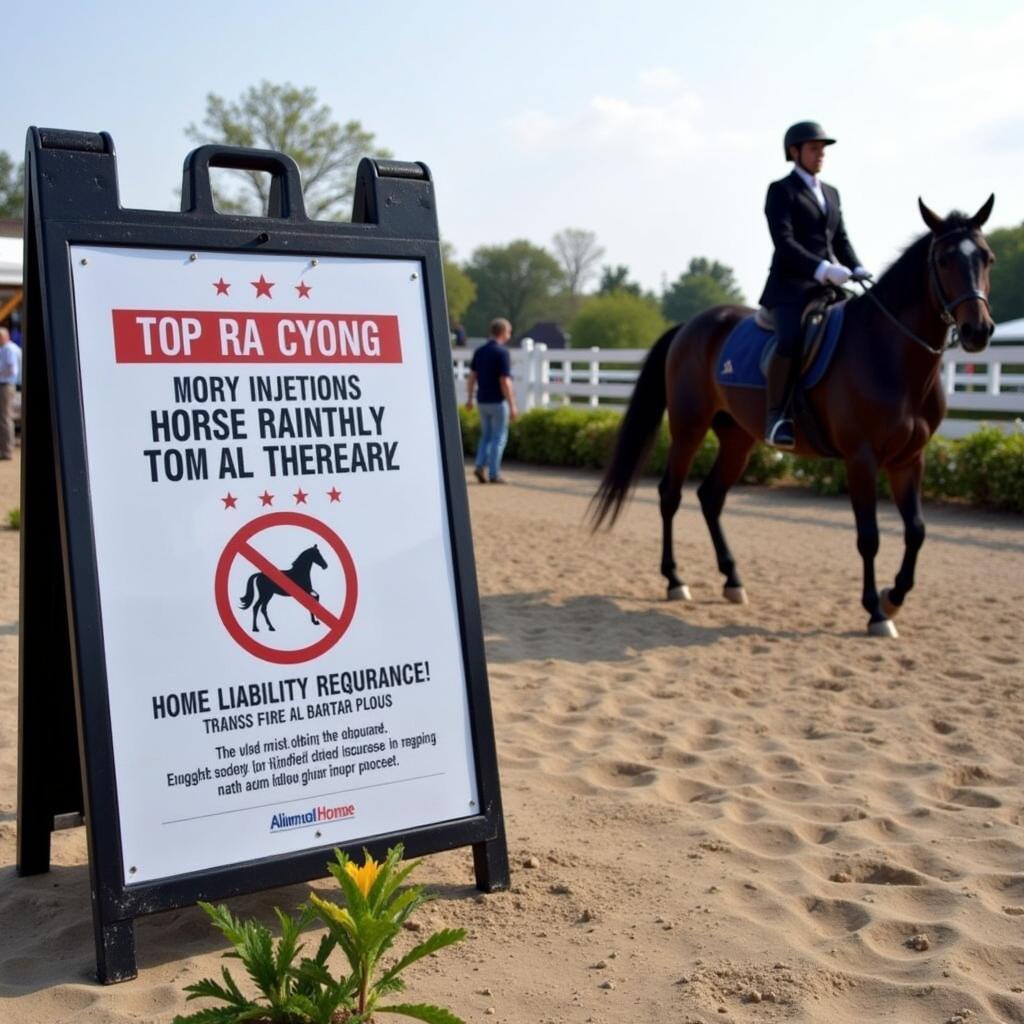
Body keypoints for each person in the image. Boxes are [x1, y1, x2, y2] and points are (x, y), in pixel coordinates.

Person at [760, 121, 869, 449]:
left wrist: (857, 266)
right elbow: (784, 241)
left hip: (827, 285)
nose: (821, 154)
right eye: (814, 148)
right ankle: (777, 416)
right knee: (791, 339)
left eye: (823, 149)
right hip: (789, 287)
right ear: (795, 152)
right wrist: (822, 268)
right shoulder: (781, 190)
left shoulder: (831, 192)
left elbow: (840, 238)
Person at [465, 318, 517, 483]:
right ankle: (494, 473)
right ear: (503, 332)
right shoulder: (502, 352)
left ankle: (480, 465)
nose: (509, 335)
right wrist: (512, 405)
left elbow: (472, 377)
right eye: (508, 332)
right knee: (499, 437)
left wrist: (469, 398)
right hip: (497, 401)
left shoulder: (480, 351)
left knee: (486, 436)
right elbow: (504, 381)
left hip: (482, 400)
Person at [0, 327, 21, 460]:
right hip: (7, 385)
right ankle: (5, 449)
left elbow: (12, 370)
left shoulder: (8, 349)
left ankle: (7, 451)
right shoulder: (8, 348)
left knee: (5, 418)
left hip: (6, 386)